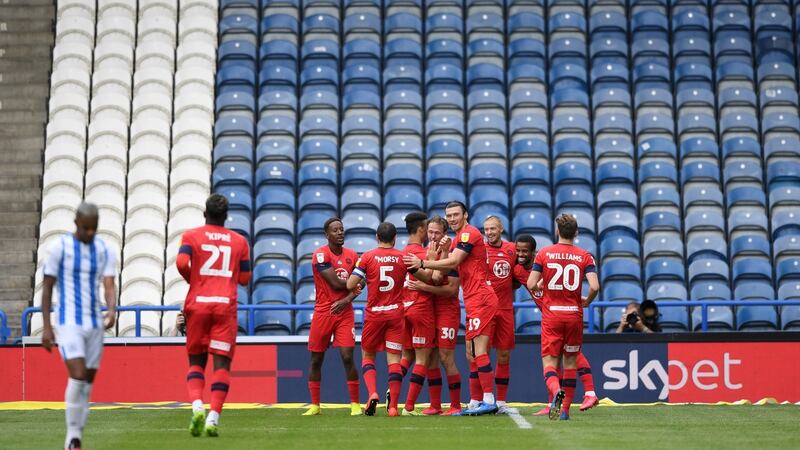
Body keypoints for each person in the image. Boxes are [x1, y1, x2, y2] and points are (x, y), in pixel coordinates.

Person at [404, 201, 499, 416]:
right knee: (470, 353)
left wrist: (423, 264)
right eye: (449, 215)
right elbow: (441, 272)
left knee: (476, 352)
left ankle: (488, 399)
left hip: (479, 298)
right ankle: (475, 401)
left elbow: (452, 267)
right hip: (472, 300)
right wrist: (435, 256)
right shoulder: (452, 242)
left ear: (465, 214)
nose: (453, 218)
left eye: (456, 214)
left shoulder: (467, 235)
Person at [40, 202, 117, 450]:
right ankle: (71, 438)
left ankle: (77, 438)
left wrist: (112, 309)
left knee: (88, 383)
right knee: (78, 374)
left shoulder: (105, 249)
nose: (91, 233)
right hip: (68, 321)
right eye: (87, 228)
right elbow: (48, 286)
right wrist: (47, 326)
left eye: (94, 228)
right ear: (76, 223)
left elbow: (108, 284)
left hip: (95, 322)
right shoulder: (59, 248)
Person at [177, 194, 251, 437]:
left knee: (196, 362)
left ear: (204, 213)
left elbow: (181, 262)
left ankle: (197, 406)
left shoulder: (191, 235)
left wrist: (196, 281)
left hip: (197, 304)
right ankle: (213, 418)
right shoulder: (239, 241)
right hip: (224, 307)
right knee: (222, 364)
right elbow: (244, 279)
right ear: (226, 216)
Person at [512, 235, 599, 416]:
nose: (520, 254)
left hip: (556, 314)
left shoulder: (545, 262)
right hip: (555, 314)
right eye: (518, 251)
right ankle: (556, 403)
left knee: (564, 357)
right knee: (563, 357)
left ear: (533, 252)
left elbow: (536, 284)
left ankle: (586, 393)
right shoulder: (518, 270)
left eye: (524, 251)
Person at [346, 222, 410, 417]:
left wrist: (364, 281)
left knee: (368, 355)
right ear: (395, 238)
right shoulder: (402, 258)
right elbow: (420, 276)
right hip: (396, 314)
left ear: (377, 237)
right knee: (394, 360)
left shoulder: (367, 257)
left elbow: (350, 284)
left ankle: (373, 392)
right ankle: (393, 408)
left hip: (375, 314)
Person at [406, 216, 463, 416]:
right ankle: (435, 405)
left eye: (437, 232)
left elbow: (451, 290)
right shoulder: (427, 253)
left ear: (444, 234)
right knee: (430, 359)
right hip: (430, 310)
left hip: (447, 310)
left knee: (446, 357)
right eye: (430, 232)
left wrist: (424, 286)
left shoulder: (453, 254)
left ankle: (456, 405)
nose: (432, 236)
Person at [304, 218, 361, 417]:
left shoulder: (352, 255)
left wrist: (347, 300)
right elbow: (337, 283)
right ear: (327, 235)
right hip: (323, 311)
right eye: (335, 230)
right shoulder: (320, 255)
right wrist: (352, 290)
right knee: (316, 359)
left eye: (342, 230)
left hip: (344, 312)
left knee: (347, 356)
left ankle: (355, 404)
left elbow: (360, 284)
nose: (340, 233)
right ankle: (315, 405)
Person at [399, 212, 437, 415]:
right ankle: (409, 406)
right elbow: (433, 279)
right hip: (421, 308)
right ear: (422, 229)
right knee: (423, 359)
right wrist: (432, 260)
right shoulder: (422, 254)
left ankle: (392, 393)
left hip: (404, 308)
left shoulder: (402, 252)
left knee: (406, 356)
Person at [482, 216, 518, 414]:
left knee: (504, 355)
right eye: (486, 229)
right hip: (485, 309)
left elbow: (518, 275)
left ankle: (502, 402)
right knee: (481, 355)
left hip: (504, 310)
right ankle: (479, 399)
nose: (489, 232)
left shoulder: (512, 249)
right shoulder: (479, 249)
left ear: (501, 229)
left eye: (493, 228)